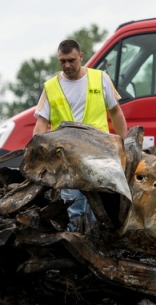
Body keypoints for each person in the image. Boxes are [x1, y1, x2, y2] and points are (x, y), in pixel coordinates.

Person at [33, 39, 127, 229]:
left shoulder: (100, 79)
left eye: (71, 60)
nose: (67, 65)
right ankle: (77, 244)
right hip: (67, 159)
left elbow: (115, 112)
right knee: (73, 207)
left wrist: (124, 144)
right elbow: (41, 123)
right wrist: (37, 153)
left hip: (98, 155)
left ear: (81, 57)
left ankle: (97, 242)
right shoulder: (51, 87)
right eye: (62, 61)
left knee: (98, 209)